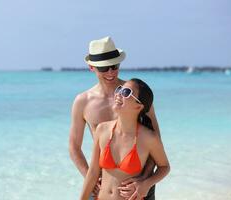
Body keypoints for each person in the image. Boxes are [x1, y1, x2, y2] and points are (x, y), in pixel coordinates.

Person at [69, 36, 161, 199]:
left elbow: (155, 140)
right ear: (92, 67)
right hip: (102, 184)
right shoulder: (83, 102)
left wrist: (144, 180)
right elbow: (74, 147)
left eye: (114, 66)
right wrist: (92, 179)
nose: (111, 72)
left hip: (138, 186)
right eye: (104, 68)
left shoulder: (135, 95)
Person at [79, 79, 170, 200]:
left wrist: (146, 184)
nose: (119, 94)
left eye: (126, 92)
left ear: (138, 106)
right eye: (120, 89)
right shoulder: (102, 130)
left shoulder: (148, 138)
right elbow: (93, 172)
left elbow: (164, 167)